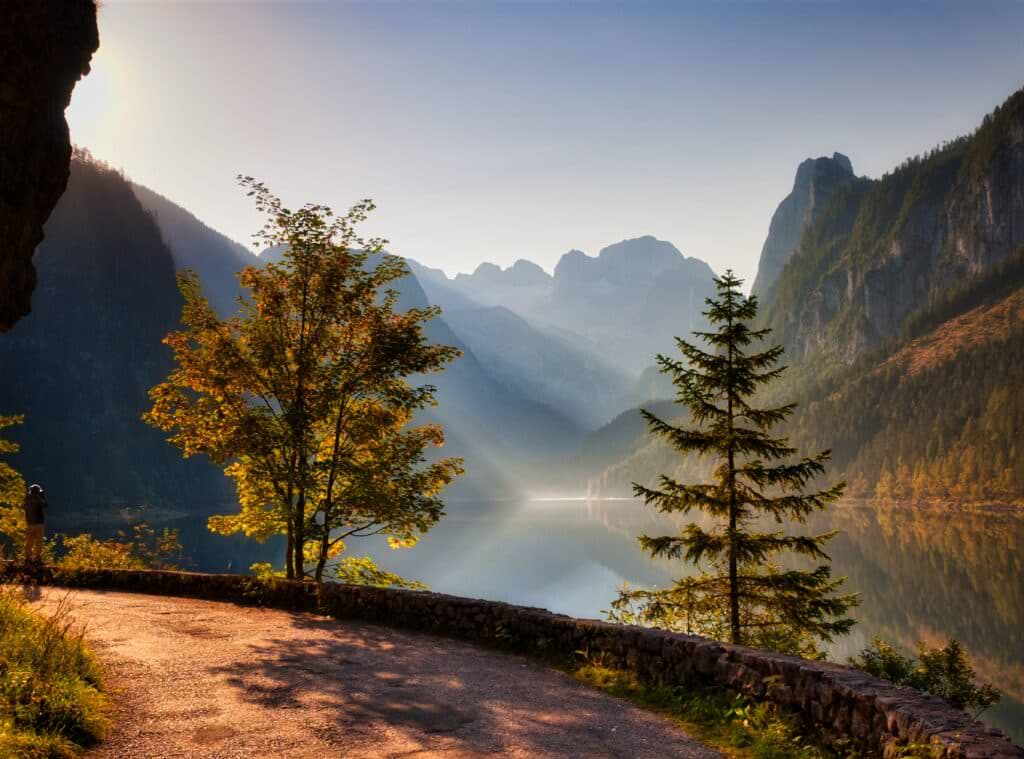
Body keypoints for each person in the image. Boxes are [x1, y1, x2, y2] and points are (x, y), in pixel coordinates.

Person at [23, 483, 47, 564]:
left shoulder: (27, 498)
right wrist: (41, 496)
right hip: (39, 524)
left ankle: (27, 559)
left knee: (29, 542)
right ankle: (37, 559)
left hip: (29, 524)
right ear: (37, 492)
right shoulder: (38, 498)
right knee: (39, 542)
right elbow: (45, 504)